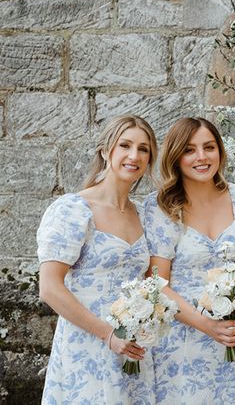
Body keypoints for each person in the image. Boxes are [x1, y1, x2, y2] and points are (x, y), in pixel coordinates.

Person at [37, 114, 158, 404]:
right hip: (87, 344)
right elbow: (50, 288)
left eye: (143, 149)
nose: (134, 155)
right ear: (106, 151)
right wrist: (107, 334)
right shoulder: (73, 210)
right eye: (125, 145)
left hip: (132, 347)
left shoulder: (144, 214)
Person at [143, 117, 235, 404]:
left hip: (234, 337)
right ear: (176, 157)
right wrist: (207, 326)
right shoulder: (161, 208)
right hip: (181, 340)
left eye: (209, 147)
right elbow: (157, 283)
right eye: (190, 150)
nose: (202, 157)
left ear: (220, 150)